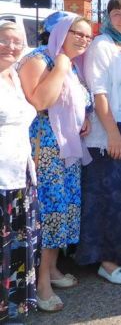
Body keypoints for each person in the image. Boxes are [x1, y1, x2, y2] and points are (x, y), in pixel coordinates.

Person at [18, 14, 93, 313]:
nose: (83, 40)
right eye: (78, 33)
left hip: (66, 146)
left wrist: (84, 117)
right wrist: (61, 65)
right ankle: (41, 281)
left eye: (88, 37)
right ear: (61, 31)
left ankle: (52, 268)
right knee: (48, 211)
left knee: (63, 210)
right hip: (45, 146)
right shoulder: (41, 59)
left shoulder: (73, 65)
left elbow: (76, 101)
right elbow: (40, 102)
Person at [74, 0, 121, 284]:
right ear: (108, 17)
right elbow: (99, 93)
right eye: (117, 14)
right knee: (108, 196)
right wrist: (113, 132)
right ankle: (106, 260)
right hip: (109, 132)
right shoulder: (100, 46)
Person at [0, 20, 40, 321]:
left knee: (18, 243)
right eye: (4, 40)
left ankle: (14, 307)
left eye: (16, 41)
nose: (11, 47)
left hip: (21, 173)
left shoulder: (14, 75)